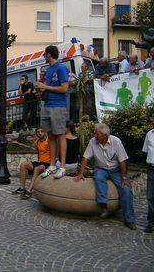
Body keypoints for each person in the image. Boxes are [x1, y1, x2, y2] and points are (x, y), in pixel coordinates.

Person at [74, 123, 136, 230]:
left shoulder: (116, 141)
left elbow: (123, 161)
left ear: (105, 135)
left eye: (97, 133)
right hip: (101, 168)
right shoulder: (93, 141)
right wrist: (80, 174)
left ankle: (129, 220)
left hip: (116, 170)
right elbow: (85, 158)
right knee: (98, 177)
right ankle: (104, 206)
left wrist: (124, 177)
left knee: (125, 189)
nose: (94, 135)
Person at [35, 45, 69, 179]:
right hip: (47, 105)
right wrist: (41, 90)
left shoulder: (60, 67)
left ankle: (63, 167)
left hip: (58, 105)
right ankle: (52, 165)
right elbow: (49, 88)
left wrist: (44, 86)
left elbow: (64, 88)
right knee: (51, 136)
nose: (44, 57)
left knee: (60, 135)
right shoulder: (48, 70)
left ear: (49, 55)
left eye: (44, 55)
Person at [12, 126, 51, 199]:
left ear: (44, 132)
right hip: (40, 162)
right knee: (23, 164)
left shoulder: (49, 140)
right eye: (38, 132)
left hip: (49, 163)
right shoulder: (36, 142)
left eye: (41, 131)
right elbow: (39, 153)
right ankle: (22, 188)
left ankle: (29, 191)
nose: (40, 133)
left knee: (37, 168)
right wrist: (39, 161)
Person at [142, 112, 154, 233]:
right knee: (150, 196)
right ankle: (151, 222)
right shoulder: (149, 134)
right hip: (151, 167)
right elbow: (146, 150)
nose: (151, 119)